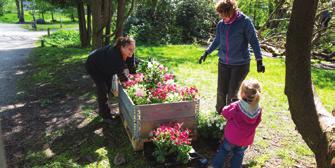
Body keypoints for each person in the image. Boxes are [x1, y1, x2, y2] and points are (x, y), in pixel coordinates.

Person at [199, 0, 265, 114]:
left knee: (232, 94)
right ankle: (219, 116)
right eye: (220, 15)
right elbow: (217, 40)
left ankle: (232, 117)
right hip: (223, 63)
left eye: (223, 15)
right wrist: (206, 52)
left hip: (240, 64)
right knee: (221, 91)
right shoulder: (221, 24)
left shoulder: (244, 22)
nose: (221, 18)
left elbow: (254, 41)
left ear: (230, 11)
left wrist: (259, 60)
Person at [212, 79, 262, 168]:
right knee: (239, 154)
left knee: (224, 150)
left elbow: (224, 112)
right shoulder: (258, 109)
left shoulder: (236, 106)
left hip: (231, 137)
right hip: (245, 140)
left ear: (242, 93)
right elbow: (257, 122)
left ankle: (216, 166)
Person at [85, 36, 137, 123]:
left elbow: (132, 67)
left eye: (133, 49)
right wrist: (131, 87)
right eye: (130, 49)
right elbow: (123, 78)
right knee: (103, 89)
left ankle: (104, 111)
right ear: (122, 47)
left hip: (106, 67)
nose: (132, 51)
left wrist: (135, 78)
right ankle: (105, 116)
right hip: (94, 65)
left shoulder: (129, 52)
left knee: (108, 87)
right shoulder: (114, 56)